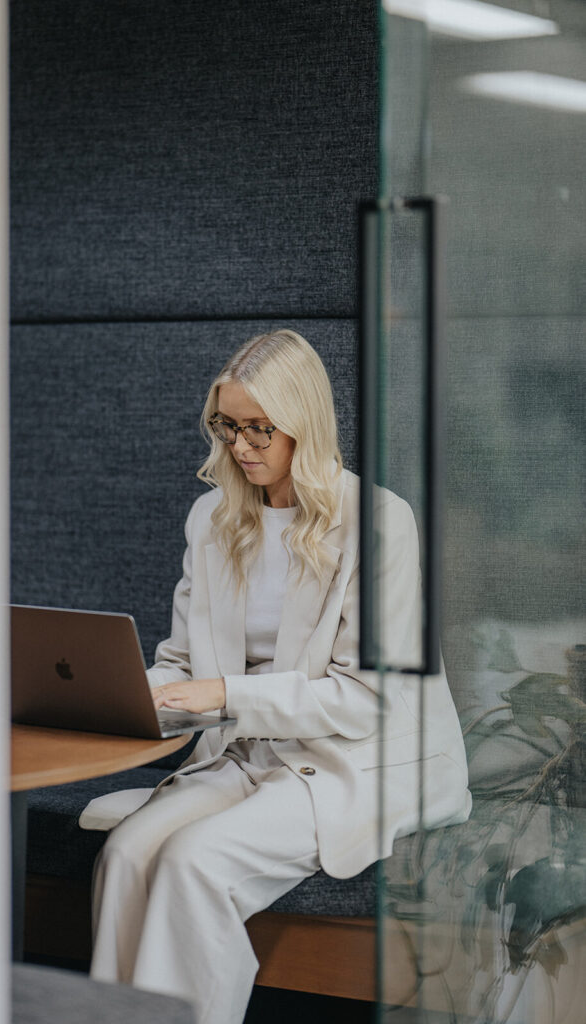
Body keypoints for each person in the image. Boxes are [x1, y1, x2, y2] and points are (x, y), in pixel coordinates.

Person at [83, 329, 471, 1024]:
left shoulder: (377, 523)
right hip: (244, 749)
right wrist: (130, 689)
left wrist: (226, 694)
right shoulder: (213, 519)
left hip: (356, 757)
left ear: (304, 423)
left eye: (260, 428)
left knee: (194, 862)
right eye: (227, 426)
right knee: (128, 851)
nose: (240, 445)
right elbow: (182, 661)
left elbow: (370, 699)